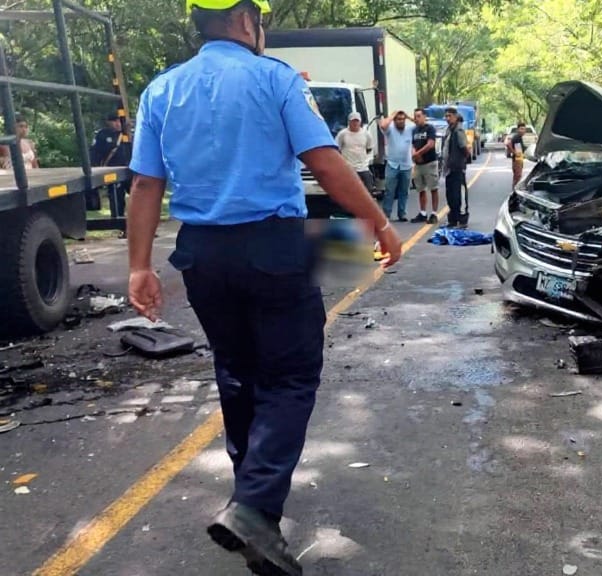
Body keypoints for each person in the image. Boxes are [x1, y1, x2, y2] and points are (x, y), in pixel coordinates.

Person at [126, 1, 401, 574]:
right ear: (247, 19)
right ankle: (252, 505)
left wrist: (139, 267)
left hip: (201, 252)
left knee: (236, 370)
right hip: (273, 244)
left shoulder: (160, 90)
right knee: (292, 374)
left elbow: (146, 185)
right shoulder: (273, 78)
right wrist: (378, 223)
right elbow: (325, 165)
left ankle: (254, 512)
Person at [90, 112, 131, 215]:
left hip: (130, 170)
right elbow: (95, 154)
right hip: (113, 171)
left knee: (140, 196)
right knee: (116, 199)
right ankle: (119, 223)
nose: (117, 124)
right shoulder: (103, 135)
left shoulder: (128, 134)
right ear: (108, 122)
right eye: (114, 121)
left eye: (119, 121)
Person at [378, 109, 413, 221]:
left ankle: (401, 214)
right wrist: (393, 115)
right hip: (392, 164)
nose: (401, 121)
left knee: (404, 191)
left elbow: (422, 124)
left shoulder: (410, 129)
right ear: (394, 120)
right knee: (389, 191)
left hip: (406, 165)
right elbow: (383, 125)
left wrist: (408, 116)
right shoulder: (390, 130)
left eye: (403, 119)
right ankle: (386, 214)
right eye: (399, 119)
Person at [442, 106, 471, 228]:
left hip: (457, 167)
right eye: (446, 116)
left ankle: (461, 219)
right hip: (449, 168)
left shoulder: (458, 131)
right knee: (450, 194)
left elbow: (464, 148)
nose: (448, 118)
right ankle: (452, 219)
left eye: (450, 116)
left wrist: (462, 161)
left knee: (458, 193)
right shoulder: (449, 130)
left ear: (455, 117)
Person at [336, 111, 375, 196]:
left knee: (368, 191)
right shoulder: (342, 134)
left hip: (363, 168)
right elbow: (337, 149)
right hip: (349, 168)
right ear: (349, 122)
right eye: (353, 121)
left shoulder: (366, 134)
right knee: (349, 193)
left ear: (360, 122)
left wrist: (363, 159)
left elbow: (369, 148)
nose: (355, 123)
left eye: (357, 121)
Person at [410, 108, 439, 223]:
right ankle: (423, 213)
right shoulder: (414, 130)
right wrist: (414, 154)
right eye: (415, 116)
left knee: (433, 188)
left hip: (429, 162)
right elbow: (413, 144)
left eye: (418, 116)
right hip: (418, 164)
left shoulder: (430, 128)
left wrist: (418, 153)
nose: (416, 119)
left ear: (424, 117)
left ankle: (434, 213)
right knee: (420, 189)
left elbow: (431, 144)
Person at [506, 122, 528, 188]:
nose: (523, 131)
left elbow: (519, 148)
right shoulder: (517, 137)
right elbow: (508, 144)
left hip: (519, 158)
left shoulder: (519, 137)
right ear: (518, 129)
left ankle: (514, 189)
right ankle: (515, 190)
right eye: (521, 129)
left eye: (524, 129)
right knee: (518, 176)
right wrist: (515, 153)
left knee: (517, 176)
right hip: (517, 159)